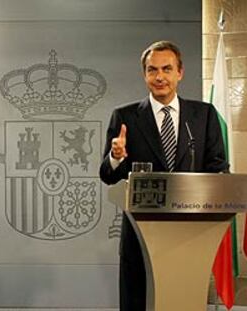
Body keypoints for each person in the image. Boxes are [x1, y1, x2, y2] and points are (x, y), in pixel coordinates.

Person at [99, 41, 229, 310]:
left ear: (180, 72)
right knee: (139, 301)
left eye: (167, 69)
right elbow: (107, 175)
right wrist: (117, 157)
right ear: (144, 74)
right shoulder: (125, 117)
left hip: (191, 232)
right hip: (142, 236)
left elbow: (218, 168)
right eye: (152, 70)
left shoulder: (203, 115)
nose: (159, 77)